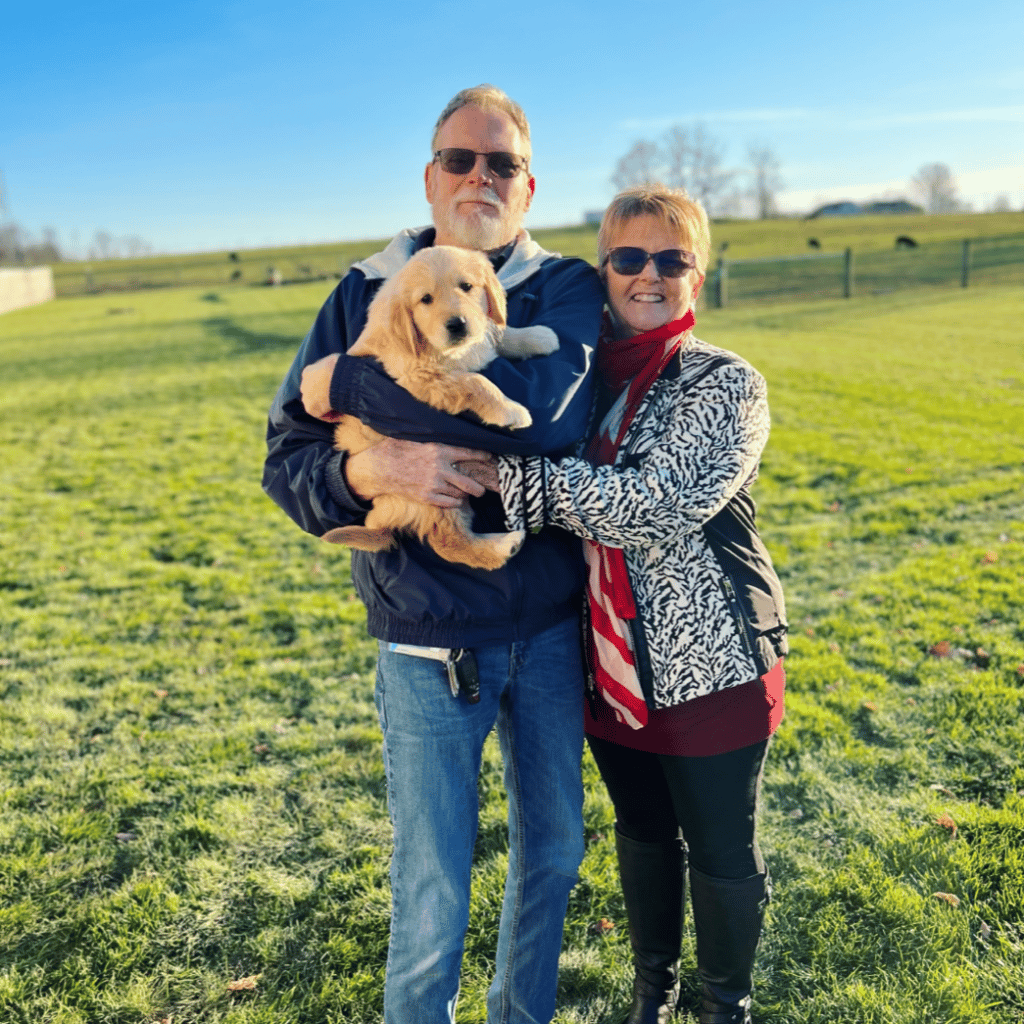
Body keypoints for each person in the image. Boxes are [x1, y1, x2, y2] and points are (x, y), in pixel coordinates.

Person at [262, 85, 604, 1024]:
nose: (479, 177)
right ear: (430, 175)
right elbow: (287, 456)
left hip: (544, 628)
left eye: (502, 164)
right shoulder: (361, 289)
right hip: (425, 636)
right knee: (432, 884)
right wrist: (374, 468)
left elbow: (547, 419)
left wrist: (353, 384)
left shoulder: (564, 288)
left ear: (528, 186)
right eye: (461, 159)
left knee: (554, 856)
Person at [495, 185, 788, 1024]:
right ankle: (650, 991)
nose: (648, 275)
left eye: (672, 259)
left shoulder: (727, 382)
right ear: (604, 270)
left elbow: (653, 506)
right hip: (610, 666)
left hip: (713, 666)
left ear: (698, 276)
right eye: (629, 258)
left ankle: (720, 1004)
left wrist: (514, 483)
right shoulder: (576, 385)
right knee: (644, 834)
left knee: (721, 848)